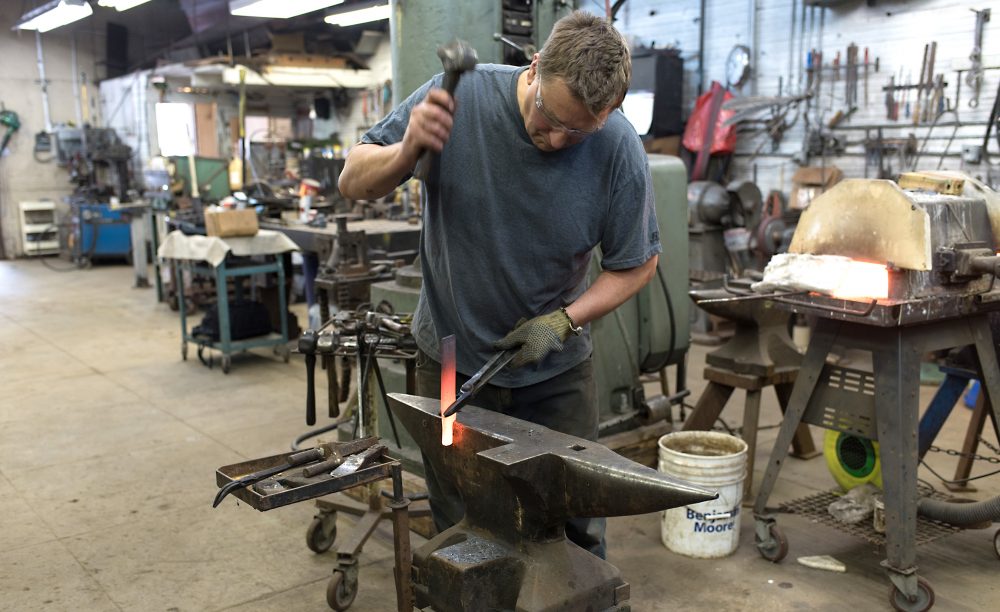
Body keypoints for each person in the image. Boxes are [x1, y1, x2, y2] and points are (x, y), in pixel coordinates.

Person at [338, 10, 659, 560]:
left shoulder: (618, 149)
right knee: (458, 513)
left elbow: (636, 264)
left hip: (556, 375)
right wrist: (406, 151)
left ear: (610, 113)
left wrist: (564, 320)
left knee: (572, 518)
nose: (556, 140)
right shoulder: (456, 98)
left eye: (577, 130)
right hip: (447, 361)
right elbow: (352, 180)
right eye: (548, 117)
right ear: (533, 68)